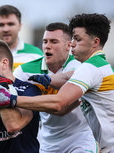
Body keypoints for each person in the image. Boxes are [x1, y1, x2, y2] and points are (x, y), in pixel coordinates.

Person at [0, 13, 114, 153]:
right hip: (48, 141)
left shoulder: (88, 68)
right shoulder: (98, 66)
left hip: (83, 140)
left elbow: (59, 104)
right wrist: (48, 80)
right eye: (45, 41)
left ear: (95, 42)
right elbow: (66, 78)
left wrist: (13, 100)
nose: (73, 44)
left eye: (77, 39)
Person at [13, 22, 97, 153]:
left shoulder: (80, 67)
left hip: (80, 137)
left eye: (54, 41)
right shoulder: (24, 71)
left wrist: (17, 101)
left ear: (68, 45)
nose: (47, 46)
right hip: (47, 141)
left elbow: (61, 109)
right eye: (45, 41)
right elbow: (7, 94)